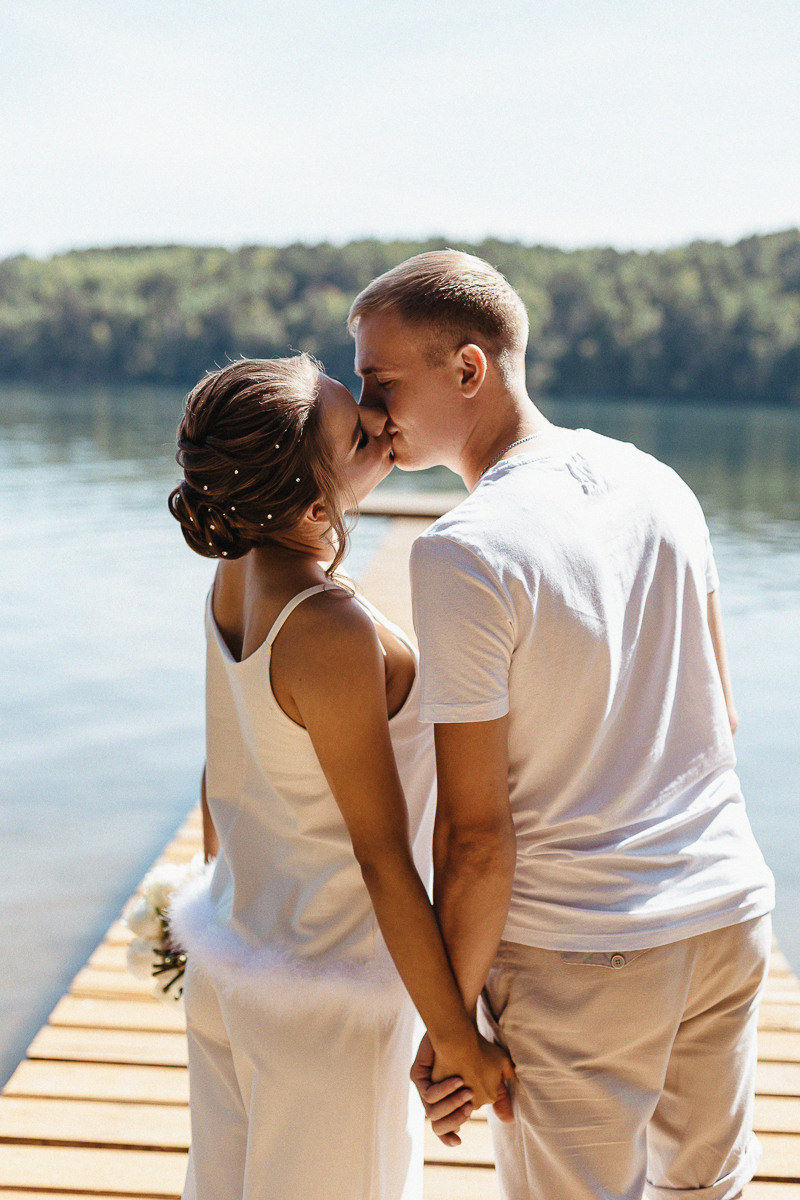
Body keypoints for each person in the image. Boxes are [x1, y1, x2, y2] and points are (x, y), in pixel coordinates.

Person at [348, 251, 776, 1200]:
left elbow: (476, 836)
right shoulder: (661, 483)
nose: (368, 409)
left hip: (584, 953)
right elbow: (726, 712)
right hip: (728, 912)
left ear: (468, 369)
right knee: (709, 1191)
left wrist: (452, 1033)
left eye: (380, 382)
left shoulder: (464, 552)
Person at [166, 355, 513, 1200]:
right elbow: (383, 858)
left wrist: (218, 908)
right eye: (358, 432)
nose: (380, 423)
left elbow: (226, 770)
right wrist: (453, 1033)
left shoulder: (235, 573)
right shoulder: (326, 627)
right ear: (316, 503)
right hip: (322, 1006)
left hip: (237, 963)